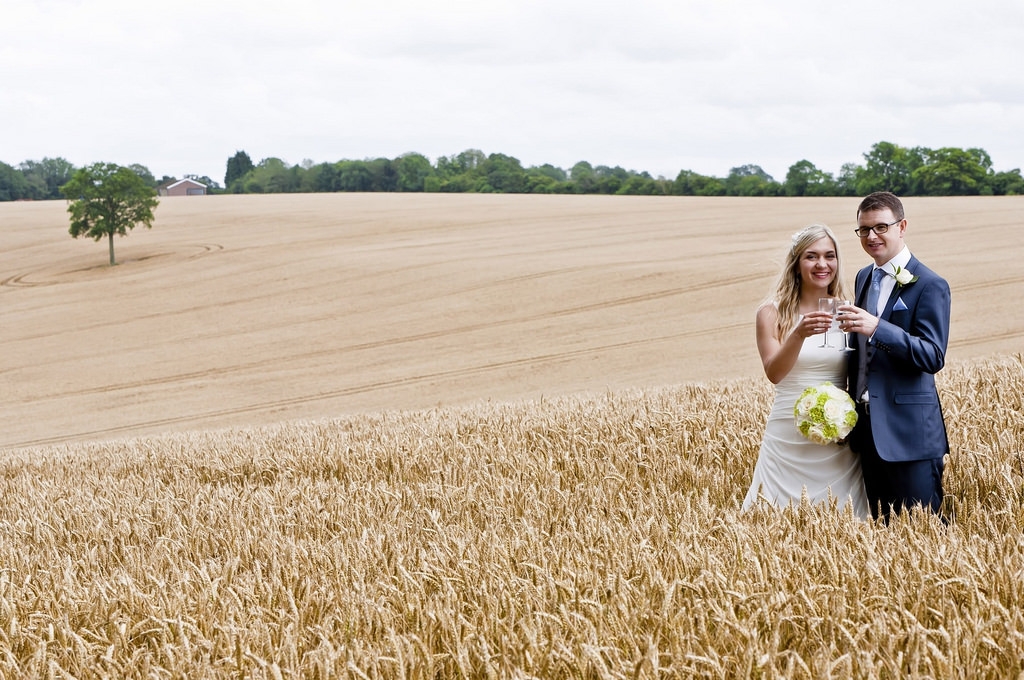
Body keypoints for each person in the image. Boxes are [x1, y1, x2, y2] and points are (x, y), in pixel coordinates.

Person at [743, 224, 870, 518]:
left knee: (845, 520)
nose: (822, 264)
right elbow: (774, 373)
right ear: (797, 263)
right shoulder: (771, 313)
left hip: (838, 436)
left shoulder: (849, 311)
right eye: (811, 257)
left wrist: (845, 418)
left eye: (829, 256)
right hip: (786, 433)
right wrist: (798, 335)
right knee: (772, 520)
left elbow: (859, 372)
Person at [837, 191, 951, 522]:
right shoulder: (864, 277)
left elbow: (932, 356)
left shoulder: (930, 285)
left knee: (924, 531)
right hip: (868, 432)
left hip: (910, 435)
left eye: (881, 227)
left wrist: (878, 328)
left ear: (902, 227)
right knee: (885, 536)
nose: (872, 236)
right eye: (864, 229)